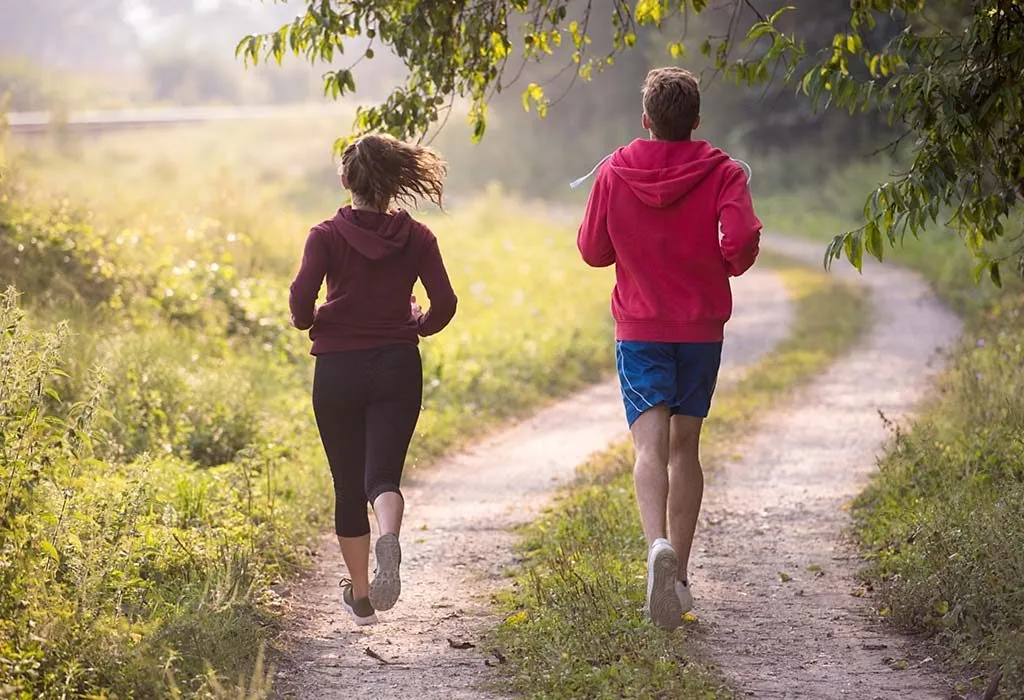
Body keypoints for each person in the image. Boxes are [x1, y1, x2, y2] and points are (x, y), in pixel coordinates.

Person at [576, 67, 761, 631]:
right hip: (700, 329)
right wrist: (728, 263)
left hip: (640, 329)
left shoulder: (614, 170)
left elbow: (591, 249)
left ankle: (656, 545)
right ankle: (678, 576)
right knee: (686, 449)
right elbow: (743, 237)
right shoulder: (724, 171)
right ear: (696, 121)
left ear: (646, 120)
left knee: (649, 449)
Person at [289, 133, 458, 626]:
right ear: (392, 183)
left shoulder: (324, 235)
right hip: (397, 365)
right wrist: (417, 324)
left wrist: (318, 315)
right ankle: (390, 536)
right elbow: (444, 304)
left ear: (346, 180)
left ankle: (361, 596)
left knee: (346, 485)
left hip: (337, 368)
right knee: (381, 476)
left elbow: (301, 307)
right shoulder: (419, 238)